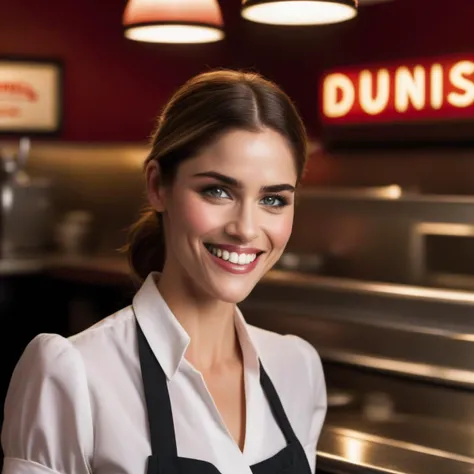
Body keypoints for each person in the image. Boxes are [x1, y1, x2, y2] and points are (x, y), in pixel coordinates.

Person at [1, 69, 327, 474]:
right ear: (158, 186)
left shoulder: (297, 368)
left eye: (273, 200)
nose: (245, 228)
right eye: (218, 191)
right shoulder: (73, 374)